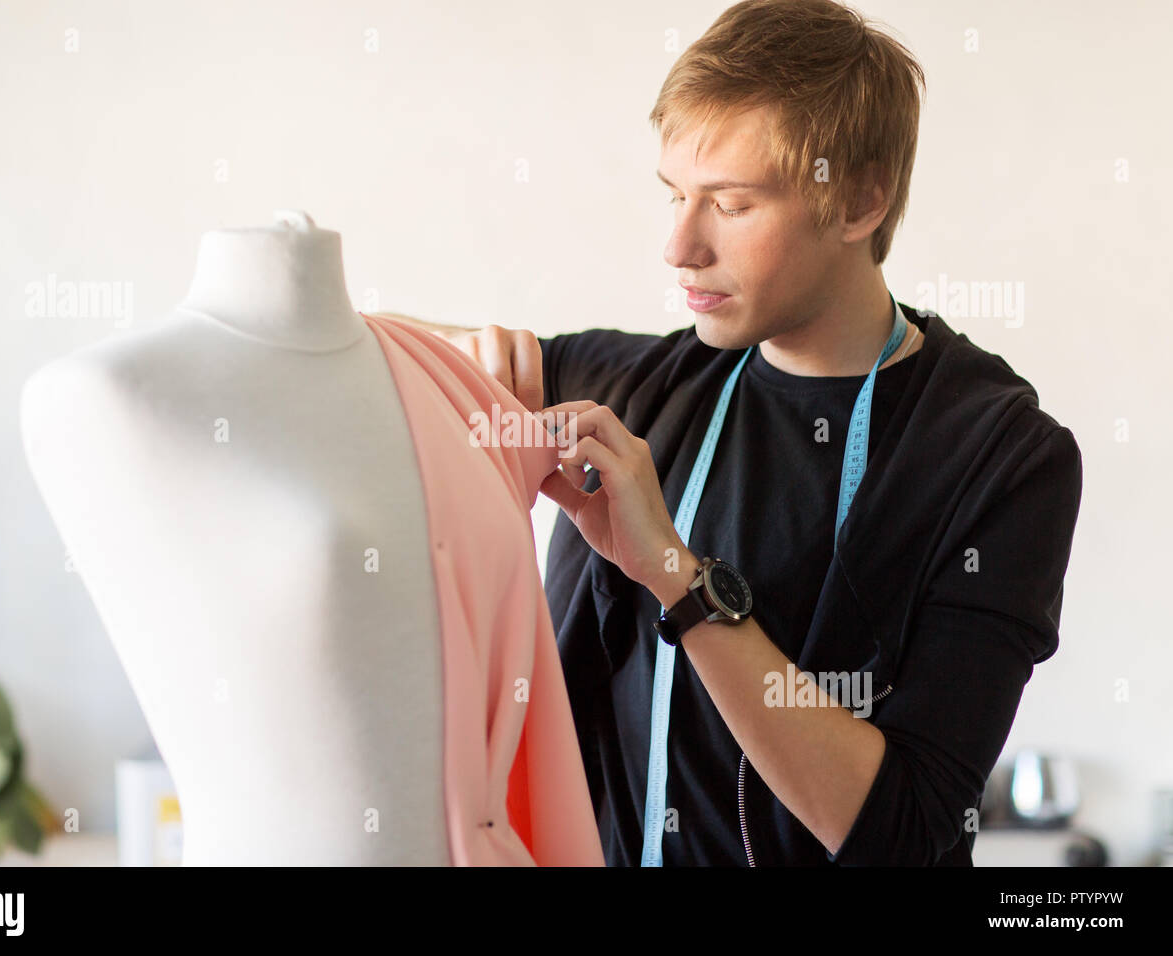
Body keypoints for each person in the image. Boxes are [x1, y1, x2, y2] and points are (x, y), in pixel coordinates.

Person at [387, 0, 1084, 866]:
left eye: (731, 203)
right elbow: (358, 353)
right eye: (676, 195)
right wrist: (456, 358)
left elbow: (899, 831)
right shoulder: (639, 388)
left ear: (861, 199)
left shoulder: (1002, 459)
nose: (679, 246)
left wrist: (674, 576)